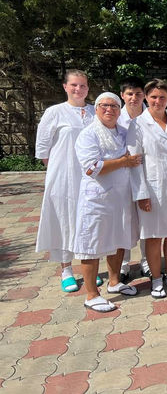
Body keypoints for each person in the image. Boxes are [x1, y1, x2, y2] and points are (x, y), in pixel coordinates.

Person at [72, 92, 142, 312]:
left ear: (119, 110)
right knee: (91, 245)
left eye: (114, 106)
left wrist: (126, 163)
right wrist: (124, 162)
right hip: (96, 200)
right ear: (97, 108)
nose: (109, 109)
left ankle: (114, 281)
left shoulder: (123, 132)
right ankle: (91, 294)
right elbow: (93, 167)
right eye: (104, 105)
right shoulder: (88, 134)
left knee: (119, 239)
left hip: (121, 197)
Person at [128, 79, 167, 298]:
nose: (158, 101)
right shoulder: (137, 124)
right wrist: (141, 194)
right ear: (146, 98)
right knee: (154, 235)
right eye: (153, 97)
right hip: (151, 189)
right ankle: (157, 279)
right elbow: (134, 162)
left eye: (162, 97)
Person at [35, 69, 95, 293]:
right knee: (64, 219)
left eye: (83, 85)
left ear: (88, 88)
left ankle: (88, 269)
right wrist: (57, 170)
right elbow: (43, 149)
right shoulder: (55, 112)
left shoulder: (94, 112)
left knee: (87, 222)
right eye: (74, 85)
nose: (78, 89)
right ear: (65, 87)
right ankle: (66, 269)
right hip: (63, 177)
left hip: (90, 178)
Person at [117, 76, 146, 281]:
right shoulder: (115, 117)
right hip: (122, 177)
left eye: (137, 93)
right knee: (123, 220)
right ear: (122, 96)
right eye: (129, 94)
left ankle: (147, 262)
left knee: (147, 220)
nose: (134, 98)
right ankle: (123, 264)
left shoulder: (153, 115)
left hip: (148, 176)